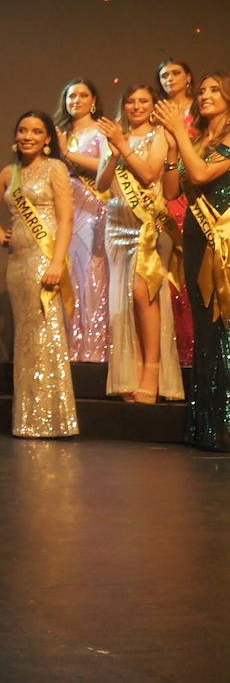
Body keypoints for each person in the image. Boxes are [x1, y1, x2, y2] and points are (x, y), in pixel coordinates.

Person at [0, 111, 78, 438]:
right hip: (17, 262)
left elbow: (65, 220)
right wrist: (0, 235)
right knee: (26, 337)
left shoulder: (56, 169)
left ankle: (52, 419)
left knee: (46, 333)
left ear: (48, 139)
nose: (28, 136)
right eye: (23, 130)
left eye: (36, 131)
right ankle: (28, 419)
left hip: (44, 257)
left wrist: (57, 263)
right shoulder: (10, 173)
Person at [156, 75, 230, 451]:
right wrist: (172, 147)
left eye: (214, 89)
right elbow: (172, 190)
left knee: (224, 328)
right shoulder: (198, 140)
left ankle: (226, 425)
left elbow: (201, 174)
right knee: (206, 329)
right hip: (197, 240)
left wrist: (178, 134)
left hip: (225, 242)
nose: (204, 95)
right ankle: (208, 426)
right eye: (201, 90)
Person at [95, 85, 182, 403]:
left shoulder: (160, 136)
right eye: (130, 101)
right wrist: (114, 154)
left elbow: (148, 175)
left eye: (143, 100)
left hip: (149, 228)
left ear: (153, 105)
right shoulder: (118, 137)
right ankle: (130, 375)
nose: (136, 106)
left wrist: (121, 145)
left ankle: (152, 372)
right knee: (125, 304)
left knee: (144, 294)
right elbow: (103, 184)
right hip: (117, 228)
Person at [54, 78, 110, 362]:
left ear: (94, 100)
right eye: (71, 96)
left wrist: (68, 154)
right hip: (64, 211)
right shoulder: (57, 132)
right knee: (68, 277)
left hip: (92, 210)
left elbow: (107, 164)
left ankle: (95, 352)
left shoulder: (102, 130)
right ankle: (69, 351)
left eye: (82, 95)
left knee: (92, 276)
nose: (76, 100)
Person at [157, 59, 197, 365]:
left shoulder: (201, 111)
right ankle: (175, 352)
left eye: (175, 73)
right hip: (166, 196)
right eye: (164, 75)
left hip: (196, 196)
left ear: (188, 78)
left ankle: (197, 346)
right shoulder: (157, 114)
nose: (169, 78)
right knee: (169, 274)